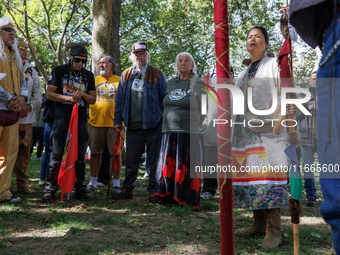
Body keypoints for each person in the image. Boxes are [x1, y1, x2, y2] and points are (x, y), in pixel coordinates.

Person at [232, 26, 296, 250]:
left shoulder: (273, 65)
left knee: (269, 178)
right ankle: (258, 223)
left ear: (266, 43)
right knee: (253, 178)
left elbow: (285, 90)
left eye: (258, 36)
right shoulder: (244, 72)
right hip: (245, 132)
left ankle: (274, 231)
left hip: (268, 130)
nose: (252, 39)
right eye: (249, 36)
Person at [290, 1, 340, 254]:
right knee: (308, 168)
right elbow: (299, 114)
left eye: (313, 77)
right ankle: (310, 196)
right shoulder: (307, 96)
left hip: (323, 135)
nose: (312, 79)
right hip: (308, 138)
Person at [114, 41, 166, 203]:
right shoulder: (126, 74)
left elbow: (164, 100)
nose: (140, 57)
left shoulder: (157, 74)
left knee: (154, 161)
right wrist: (117, 121)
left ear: (147, 55)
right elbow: (120, 100)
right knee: (131, 161)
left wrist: (163, 121)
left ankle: (153, 190)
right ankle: (127, 189)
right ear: (133, 57)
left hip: (154, 126)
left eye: (143, 54)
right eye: (137, 55)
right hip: (133, 127)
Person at [42, 45, 96, 202]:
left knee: (80, 154)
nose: (80, 64)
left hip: (81, 119)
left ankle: (80, 189)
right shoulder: (59, 71)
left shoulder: (89, 75)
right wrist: (69, 98)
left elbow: (93, 99)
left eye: (84, 61)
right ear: (71, 57)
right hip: (61, 117)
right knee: (57, 153)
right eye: (78, 60)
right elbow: (50, 94)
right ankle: (50, 190)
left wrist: (83, 94)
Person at [154, 52, 204, 210]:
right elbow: (163, 104)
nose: (183, 63)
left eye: (187, 60)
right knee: (169, 163)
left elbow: (205, 110)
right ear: (176, 65)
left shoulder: (199, 84)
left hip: (189, 131)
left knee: (187, 165)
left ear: (192, 65)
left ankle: (187, 197)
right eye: (180, 60)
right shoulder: (169, 83)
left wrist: (195, 124)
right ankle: (167, 195)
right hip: (168, 131)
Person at [0, 17, 28, 203]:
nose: (12, 32)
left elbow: (23, 82)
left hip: (12, 112)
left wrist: (22, 98)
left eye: (13, 30)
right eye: (7, 29)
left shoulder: (16, 57)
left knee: (9, 153)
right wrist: (10, 98)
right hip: (3, 106)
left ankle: (3, 192)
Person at [86, 55, 123, 195]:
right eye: (99, 63)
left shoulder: (121, 81)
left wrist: (121, 121)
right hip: (95, 122)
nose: (101, 65)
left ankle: (116, 185)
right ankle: (93, 183)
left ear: (112, 65)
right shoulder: (93, 80)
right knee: (95, 153)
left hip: (115, 124)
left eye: (104, 62)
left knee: (116, 155)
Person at [200, 67, 234, 200]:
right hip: (211, 136)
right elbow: (203, 113)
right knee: (210, 164)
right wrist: (205, 129)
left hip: (231, 138)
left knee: (231, 165)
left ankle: (229, 191)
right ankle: (209, 189)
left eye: (228, 73)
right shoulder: (210, 93)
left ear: (232, 75)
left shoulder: (238, 92)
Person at [13, 38, 42, 193]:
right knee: (6, 151)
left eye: (27, 47)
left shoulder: (31, 70)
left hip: (26, 117)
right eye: (21, 47)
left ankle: (22, 184)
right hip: (7, 116)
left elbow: (38, 95)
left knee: (24, 151)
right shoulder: (7, 64)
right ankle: (3, 186)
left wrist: (29, 106)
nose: (25, 50)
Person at [296, 71, 318, 206]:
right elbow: (296, 116)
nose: (315, 81)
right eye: (313, 79)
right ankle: (311, 196)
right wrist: (304, 104)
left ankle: (331, 197)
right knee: (308, 167)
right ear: (310, 81)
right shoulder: (302, 96)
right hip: (305, 137)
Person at [39, 94, 53, 186]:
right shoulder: (48, 93)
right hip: (50, 122)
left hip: (64, 122)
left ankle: (54, 178)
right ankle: (43, 177)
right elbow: (46, 99)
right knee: (48, 151)